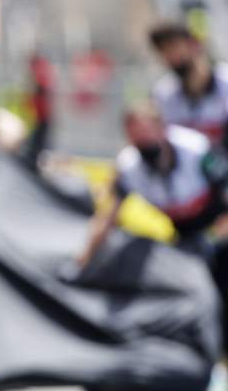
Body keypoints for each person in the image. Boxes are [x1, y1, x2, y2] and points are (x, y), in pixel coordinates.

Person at [77, 102, 228, 270]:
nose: (145, 141)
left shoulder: (197, 151)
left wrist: (213, 238)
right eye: (137, 137)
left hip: (219, 229)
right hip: (183, 237)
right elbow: (107, 217)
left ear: (162, 129)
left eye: (147, 133)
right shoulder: (129, 168)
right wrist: (84, 258)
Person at [149, 21, 228, 145]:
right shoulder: (164, 93)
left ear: (194, 45)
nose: (171, 57)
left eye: (174, 47)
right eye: (163, 51)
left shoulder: (224, 81)